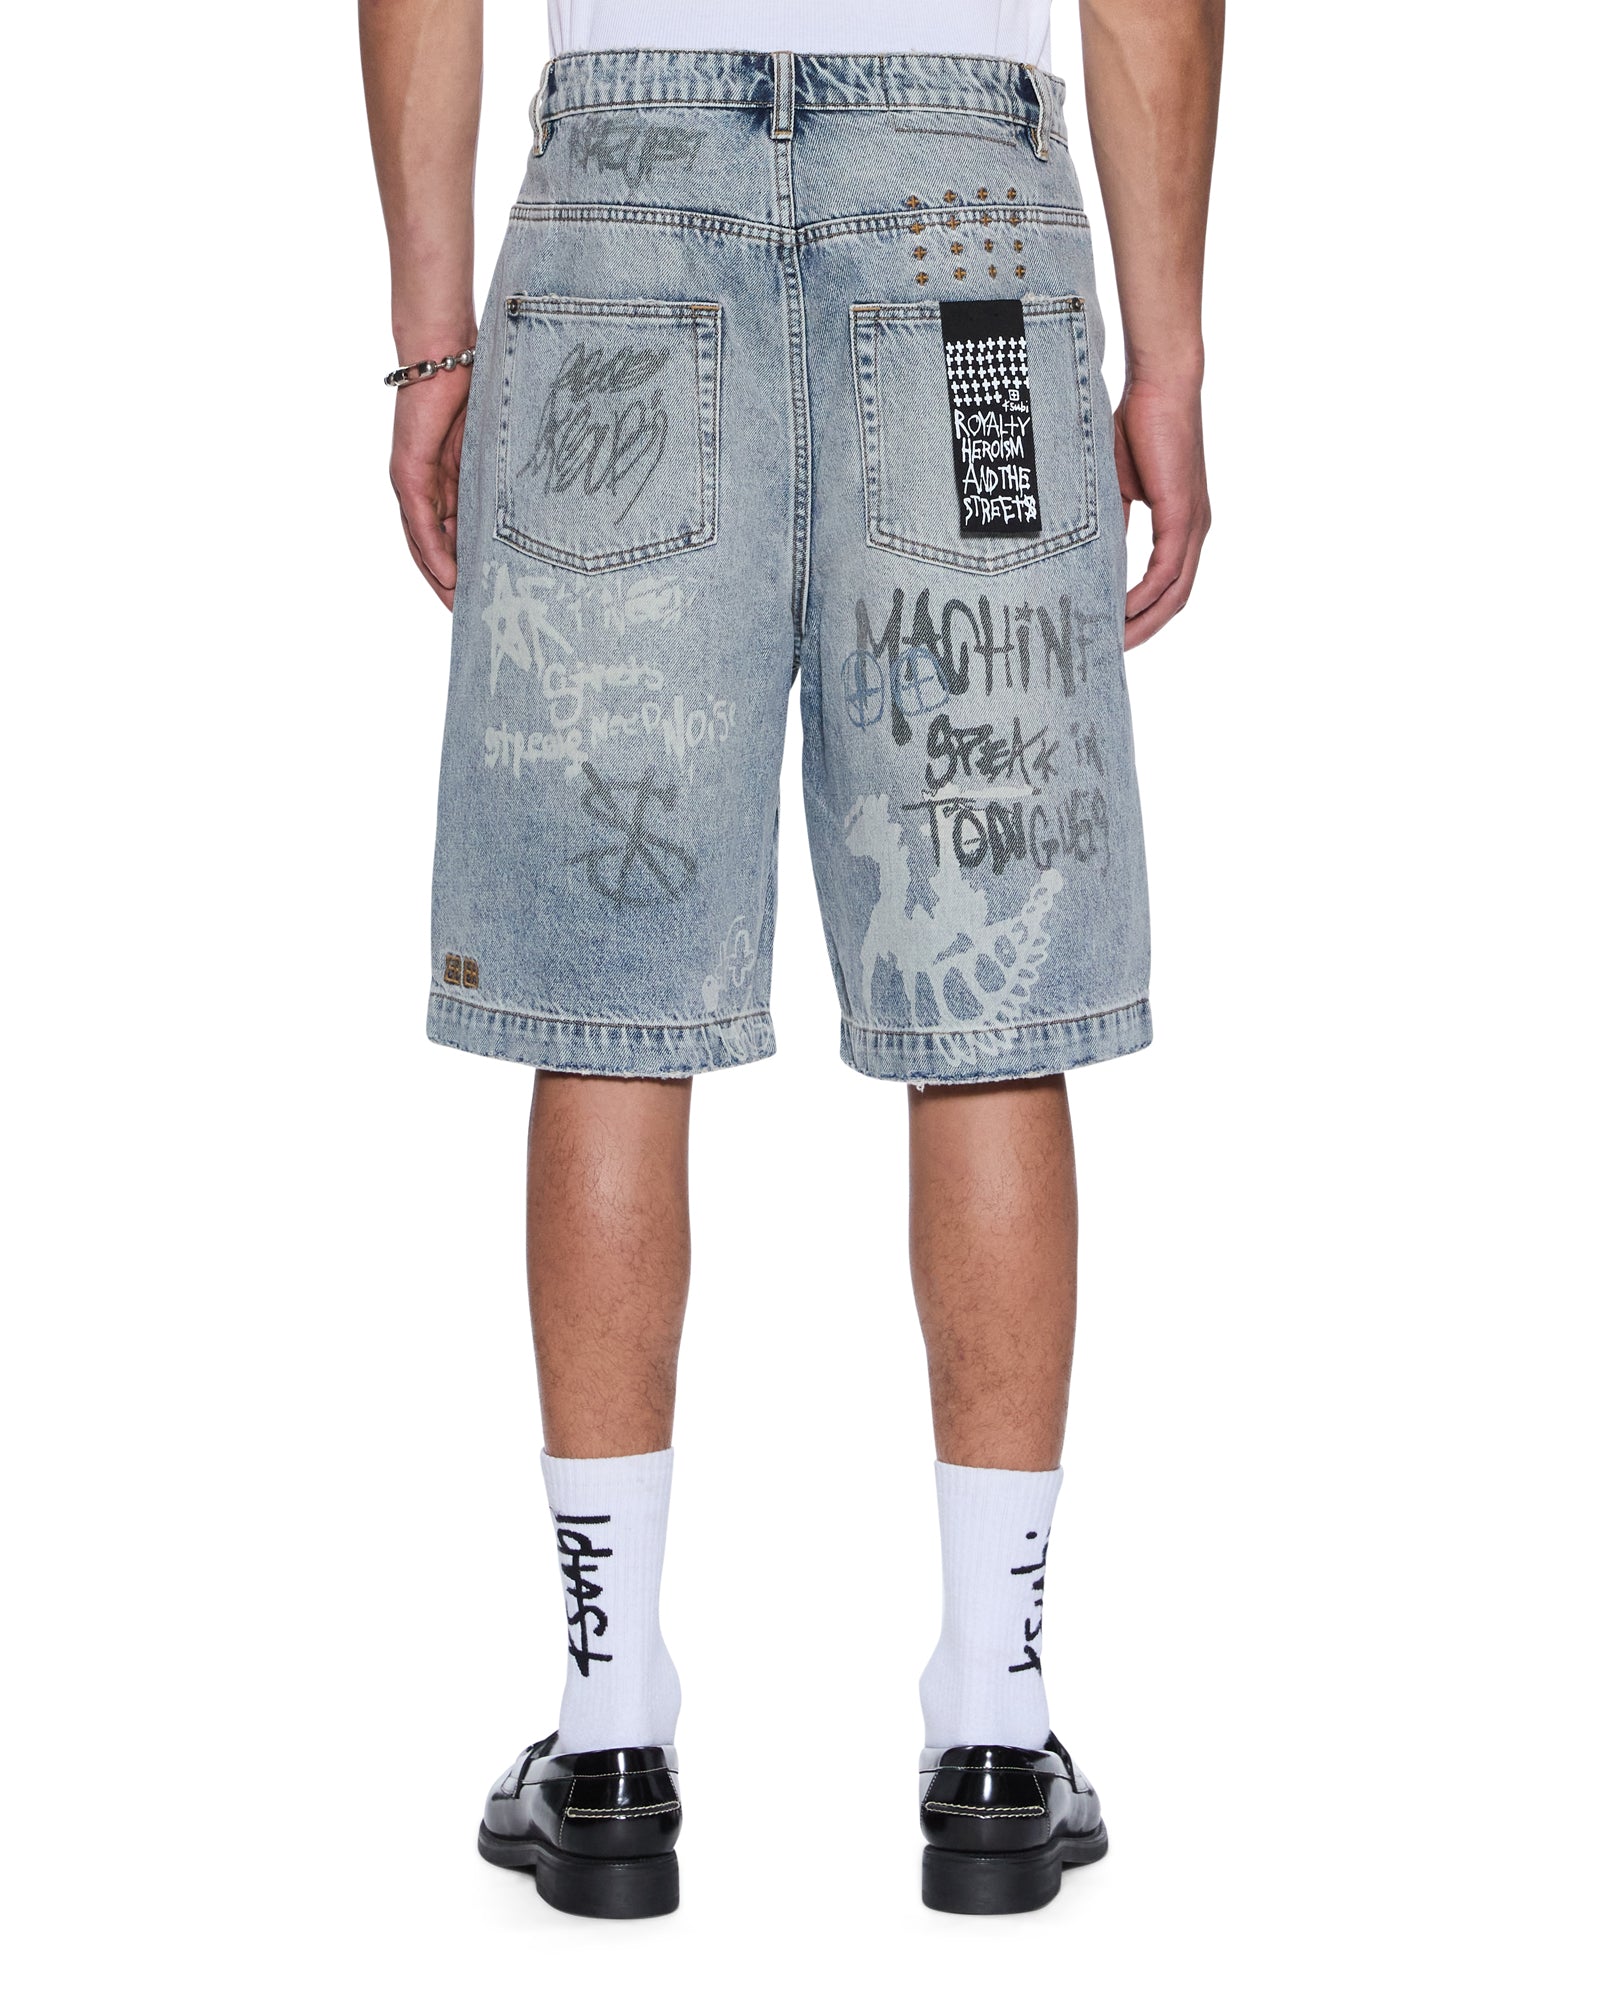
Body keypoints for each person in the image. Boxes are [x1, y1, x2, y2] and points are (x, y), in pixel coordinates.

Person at [359, 0, 1220, 1919]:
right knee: (986, 999)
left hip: (620, 222)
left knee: (613, 999)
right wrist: (1166, 355)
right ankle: (998, 1727)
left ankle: (606, 1732)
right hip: (964, 246)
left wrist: (432, 336)